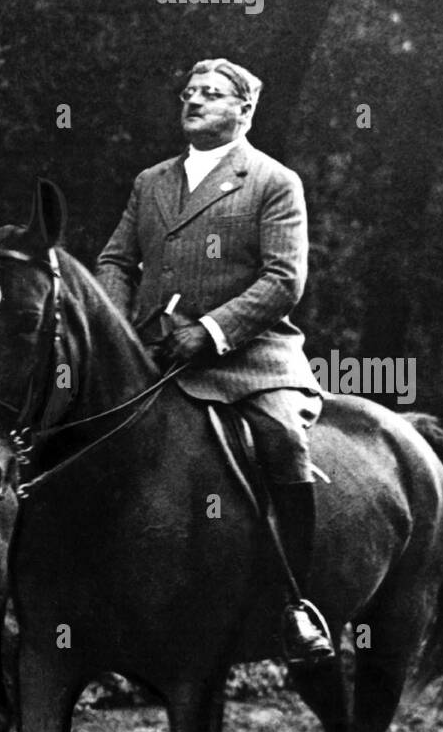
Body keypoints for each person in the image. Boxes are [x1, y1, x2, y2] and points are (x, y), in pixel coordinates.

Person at [95, 57, 334, 664]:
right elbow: (117, 260)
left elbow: (284, 278)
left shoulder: (273, 181)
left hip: (250, 358)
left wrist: (212, 330)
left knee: (282, 439)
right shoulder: (151, 181)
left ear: (244, 110)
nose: (193, 101)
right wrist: (120, 329)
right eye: (188, 92)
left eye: (211, 93)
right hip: (154, 351)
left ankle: (297, 605)